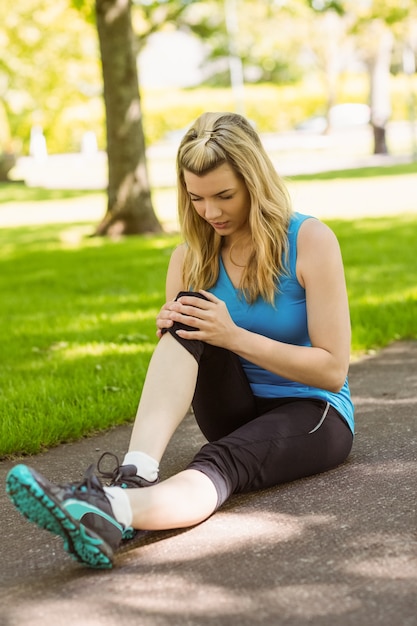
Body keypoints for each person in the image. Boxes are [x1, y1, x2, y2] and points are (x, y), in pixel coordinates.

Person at [6, 112, 354, 569]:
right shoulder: (190, 257)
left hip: (313, 412)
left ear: (255, 182)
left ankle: (113, 512)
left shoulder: (310, 240)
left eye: (225, 195)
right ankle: (135, 475)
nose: (211, 212)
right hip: (231, 408)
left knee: (221, 461)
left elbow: (332, 370)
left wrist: (232, 335)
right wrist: (177, 335)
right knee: (186, 316)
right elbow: (190, 354)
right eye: (197, 198)